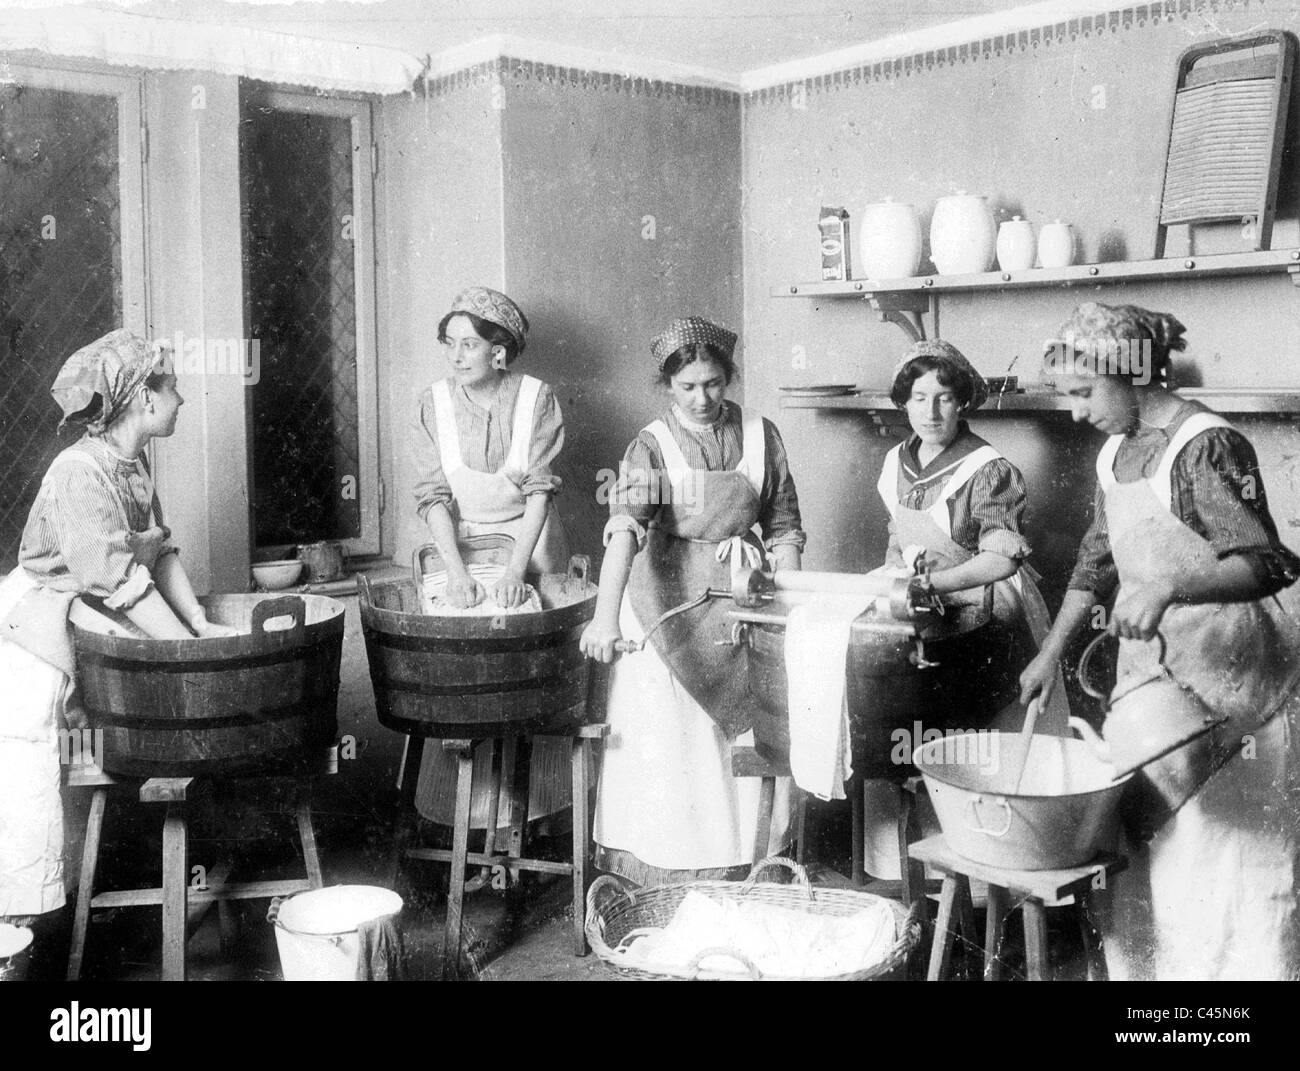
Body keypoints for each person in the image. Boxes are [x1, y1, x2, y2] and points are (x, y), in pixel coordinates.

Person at [1019, 301, 1300, 981]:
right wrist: (1051, 652)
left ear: (1130, 374)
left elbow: (1266, 561)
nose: (1079, 412)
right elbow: (1096, 560)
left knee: (1231, 876)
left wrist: (1171, 586)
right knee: (1151, 874)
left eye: (1086, 393)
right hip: (1160, 691)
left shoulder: (1205, 444)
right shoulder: (1116, 452)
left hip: (1241, 695)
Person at [0, 329, 235, 975]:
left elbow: (156, 553)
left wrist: (197, 625)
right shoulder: (77, 473)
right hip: (33, 645)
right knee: (30, 800)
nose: (182, 397)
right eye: (170, 387)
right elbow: (123, 586)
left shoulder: (129, 465)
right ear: (138, 399)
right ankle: (21, 948)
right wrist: (188, 655)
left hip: (90, 618)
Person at [581, 316, 806, 886]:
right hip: (667, 603)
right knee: (676, 735)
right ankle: (672, 868)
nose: (703, 398)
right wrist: (606, 619)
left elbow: (783, 528)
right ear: (668, 387)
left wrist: (790, 601)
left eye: (713, 383)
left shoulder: (760, 434)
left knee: (751, 724)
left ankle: (747, 856)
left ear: (728, 378)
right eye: (688, 387)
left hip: (741, 593)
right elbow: (625, 531)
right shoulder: (651, 446)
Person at [861, 339, 1068, 879]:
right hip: (924, 598)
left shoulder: (988, 469)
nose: (930, 412)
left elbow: (1000, 561)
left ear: (964, 403)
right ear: (903, 402)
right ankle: (910, 874)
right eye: (919, 397)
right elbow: (896, 542)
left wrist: (931, 584)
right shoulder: (895, 463)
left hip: (988, 608)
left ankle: (979, 880)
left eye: (945, 398)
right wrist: (895, 586)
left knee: (971, 745)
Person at [409, 286, 571, 833]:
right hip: (463, 549)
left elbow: (540, 495)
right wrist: (457, 574)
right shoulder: (435, 401)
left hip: (531, 543)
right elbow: (433, 498)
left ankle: (533, 823)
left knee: (531, 673)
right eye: (449, 344)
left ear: (499, 352)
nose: (456, 356)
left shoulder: (535, 399)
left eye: (470, 345)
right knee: (469, 677)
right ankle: (470, 824)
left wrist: (514, 572)